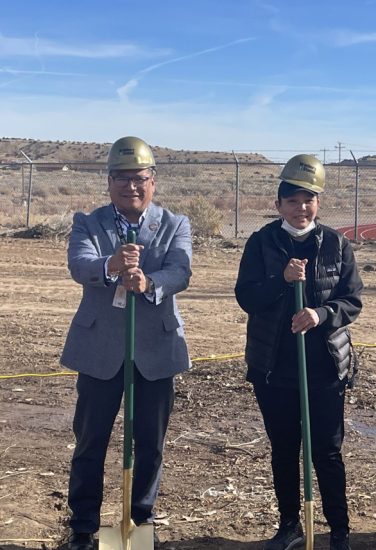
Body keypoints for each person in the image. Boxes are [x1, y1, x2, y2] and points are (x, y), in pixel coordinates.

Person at [61, 136, 192, 550]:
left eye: (138, 178)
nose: (130, 187)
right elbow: (80, 265)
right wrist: (111, 265)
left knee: (150, 446)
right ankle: (83, 528)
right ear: (109, 181)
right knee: (90, 442)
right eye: (121, 178)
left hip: (155, 351)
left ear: (153, 181)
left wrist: (151, 283)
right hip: (100, 351)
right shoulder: (89, 222)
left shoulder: (175, 224)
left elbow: (181, 271)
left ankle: (138, 527)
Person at [235, 154, 363, 550]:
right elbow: (246, 296)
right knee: (285, 450)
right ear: (279, 205)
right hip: (275, 369)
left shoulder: (337, 244)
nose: (301, 208)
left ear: (318, 204)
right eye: (293, 200)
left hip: (324, 368)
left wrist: (321, 313)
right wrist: (281, 280)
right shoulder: (262, 242)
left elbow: (352, 300)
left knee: (327, 451)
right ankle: (290, 524)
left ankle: (338, 529)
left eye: (309, 200)